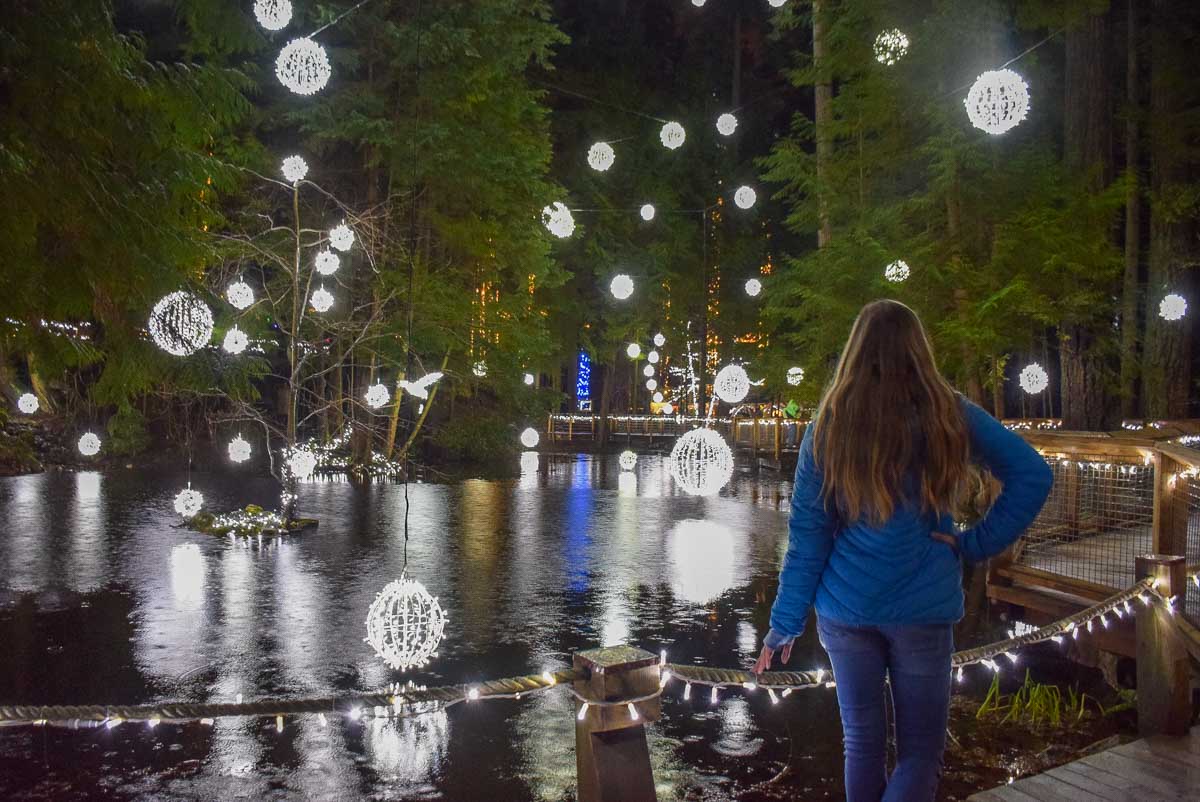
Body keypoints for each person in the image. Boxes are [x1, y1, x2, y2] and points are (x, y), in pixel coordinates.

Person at [752, 300, 1053, 802]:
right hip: (922, 609)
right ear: (918, 350)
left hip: (846, 609)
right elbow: (1033, 474)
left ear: (855, 352)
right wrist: (975, 544)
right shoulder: (948, 413)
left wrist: (784, 623)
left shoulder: (829, 427)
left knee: (861, 744)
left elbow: (808, 538)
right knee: (920, 754)